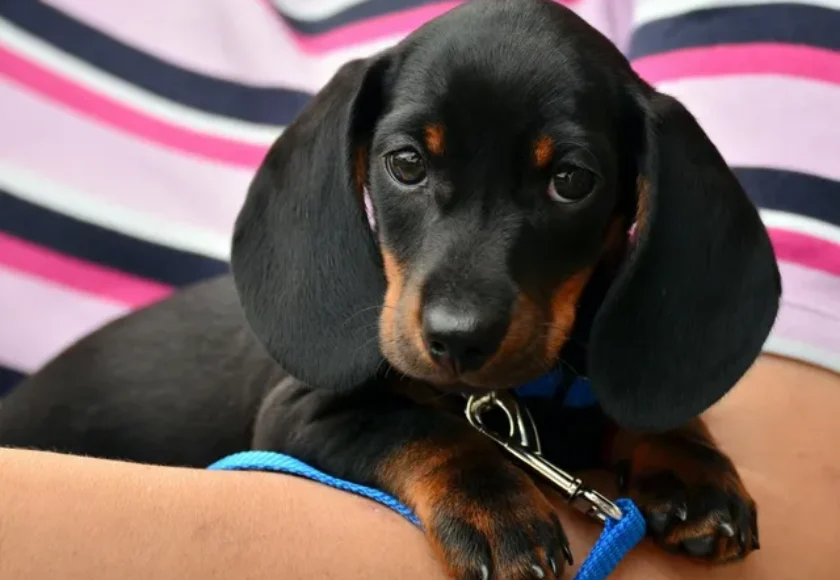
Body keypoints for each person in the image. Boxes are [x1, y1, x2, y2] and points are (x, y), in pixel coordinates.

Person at [0, 0, 837, 578]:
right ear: (359, 168)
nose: (458, 312)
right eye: (411, 167)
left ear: (637, 203)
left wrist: (670, 442)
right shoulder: (345, 338)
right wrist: (453, 469)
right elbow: (308, 415)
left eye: (568, 180)